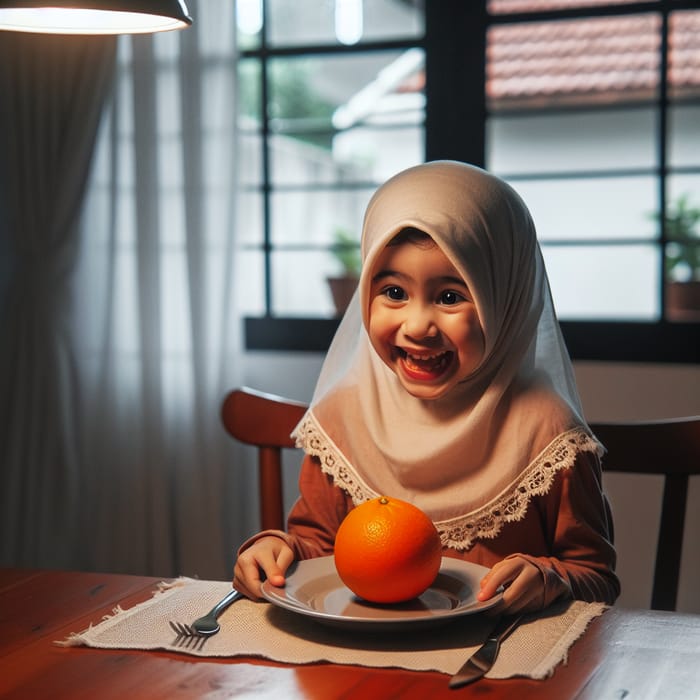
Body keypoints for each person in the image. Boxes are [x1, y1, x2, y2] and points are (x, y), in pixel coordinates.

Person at [233, 160, 619, 614]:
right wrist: (275, 550)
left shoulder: (546, 430)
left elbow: (597, 578)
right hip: (360, 666)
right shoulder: (344, 414)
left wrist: (549, 578)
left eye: (450, 297)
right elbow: (315, 545)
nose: (417, 327)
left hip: (494, 666)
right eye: (394, 292)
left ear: (505, 299)